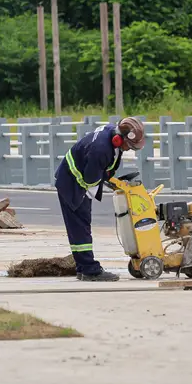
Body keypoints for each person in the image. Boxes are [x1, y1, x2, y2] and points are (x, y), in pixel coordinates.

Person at [54, 117, 146, 282]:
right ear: (119, 139)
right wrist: (108, 180)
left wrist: (111, 179)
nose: (128, 149)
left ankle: (83, 268)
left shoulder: (111, 136)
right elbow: (90, 180)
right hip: (73, 184)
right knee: (80, 228)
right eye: (128, 145)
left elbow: (103, 169)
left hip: (75, 179)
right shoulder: (101, 149)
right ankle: (90, 270)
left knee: (80, 228)